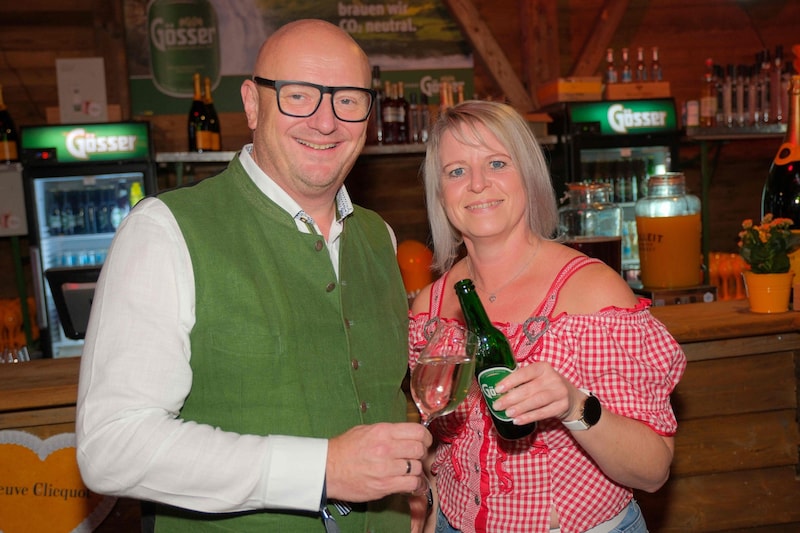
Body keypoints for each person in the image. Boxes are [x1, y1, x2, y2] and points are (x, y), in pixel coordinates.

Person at [76, 19, 431, 532]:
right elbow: (111, 446)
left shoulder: (380, 237)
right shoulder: (164, 231)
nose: (325, 121)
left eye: (348, 100)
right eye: (299, 96)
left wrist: (413, 489)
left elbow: (380, 396)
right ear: (251, 102)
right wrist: (321, 470)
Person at [409, 100, 687, 533]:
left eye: (497, 163)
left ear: (529, 176)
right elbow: (439, 443)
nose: (478, 184)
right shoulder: (429, 307)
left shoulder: (593, 293)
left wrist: (573, 404)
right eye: (457, 171)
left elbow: (652, 471)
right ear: (440, 192)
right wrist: (426, 499)